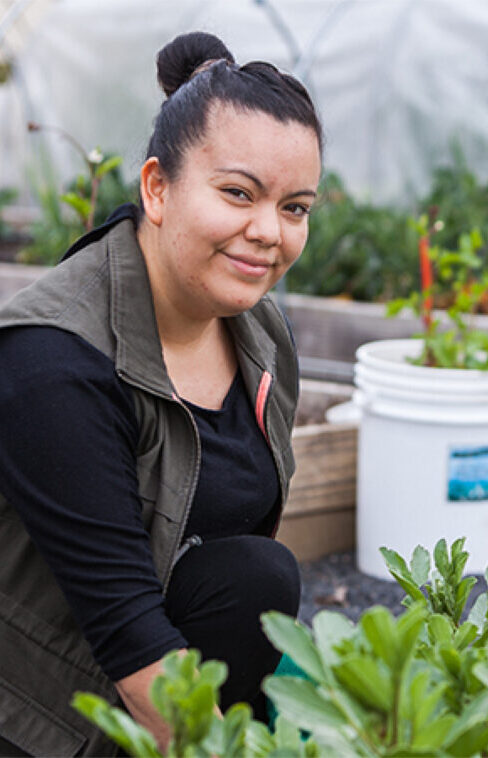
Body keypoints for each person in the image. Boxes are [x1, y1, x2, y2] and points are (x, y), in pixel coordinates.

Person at [0, 30, 322, 756]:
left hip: (148, 645)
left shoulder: (258, 332)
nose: (268, 231)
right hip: (36, 703)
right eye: (238, 193)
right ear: (156, 188)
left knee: (257, 575)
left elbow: (242, 555)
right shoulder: (52, 362)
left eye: (295, 207)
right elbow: (124, 626)